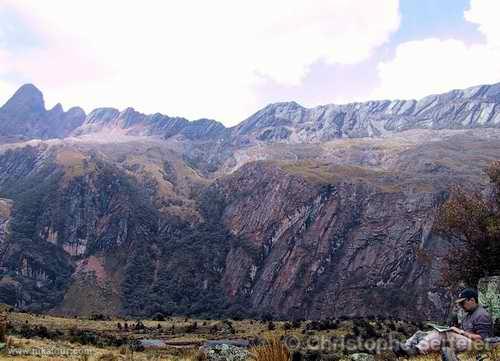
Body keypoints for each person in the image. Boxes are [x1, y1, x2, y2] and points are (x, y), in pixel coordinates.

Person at [394, 288, 493, 356]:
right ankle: (406, 348)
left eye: (463, 302)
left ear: (472, 300)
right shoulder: (469, 314)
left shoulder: (482, 315)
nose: (461, 306)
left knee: (444, 334)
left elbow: (483, 339)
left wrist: (460, 332)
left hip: (476, 345)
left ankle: (417, 350)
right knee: (422, 333)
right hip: (466, 340)